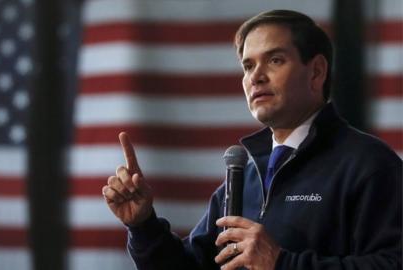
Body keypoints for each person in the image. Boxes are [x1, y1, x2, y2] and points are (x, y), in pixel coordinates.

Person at [101, 9, 402, 270]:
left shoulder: (369, 164)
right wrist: (142, 225)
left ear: (316, 72)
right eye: (248, 66)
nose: (256, 76)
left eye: (274, 60)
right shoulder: (244, 175)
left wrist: (282, 263)